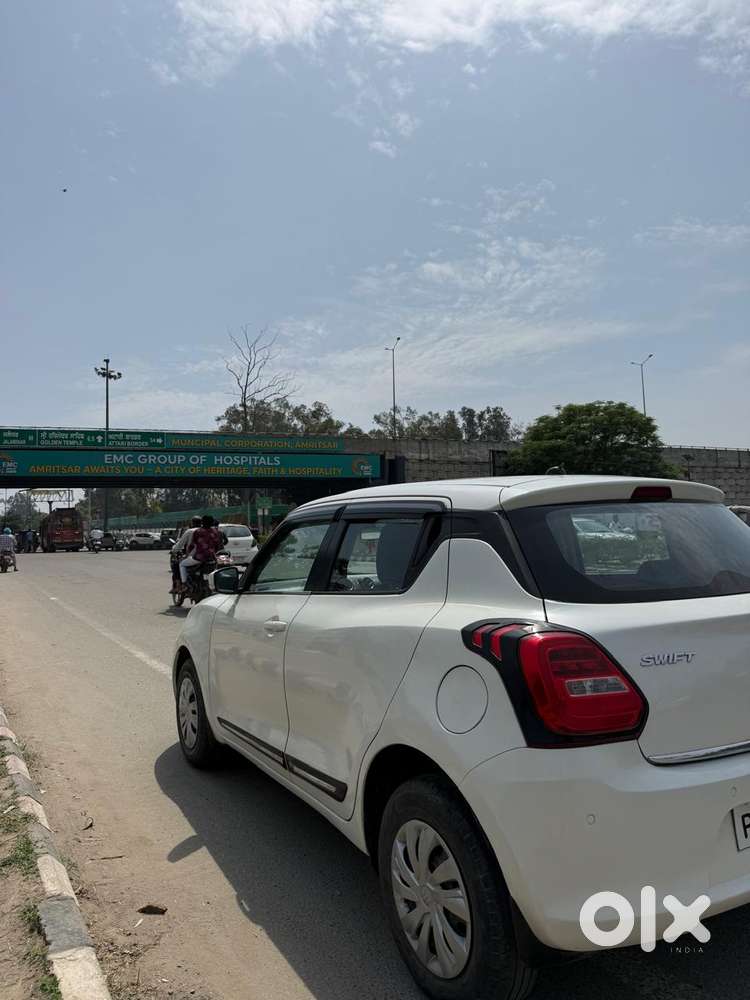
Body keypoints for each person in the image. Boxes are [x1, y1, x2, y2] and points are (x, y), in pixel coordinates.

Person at [177, 515, 221, 591]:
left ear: (202, 522)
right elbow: (217, 546)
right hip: (212, 558)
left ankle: (184, 584)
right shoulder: (215, 532)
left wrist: (187, 554)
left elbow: (192, 545)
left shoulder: (198, 532)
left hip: (199, 558)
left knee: (182, 564)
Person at [170, 517, 201, 591]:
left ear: (192, 523)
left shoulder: (190, 531)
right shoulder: (207, 530)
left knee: (177, 564)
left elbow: (180, 544)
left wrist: (174, 550)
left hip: (195, 556)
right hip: (209, 556)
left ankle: (182, 585)